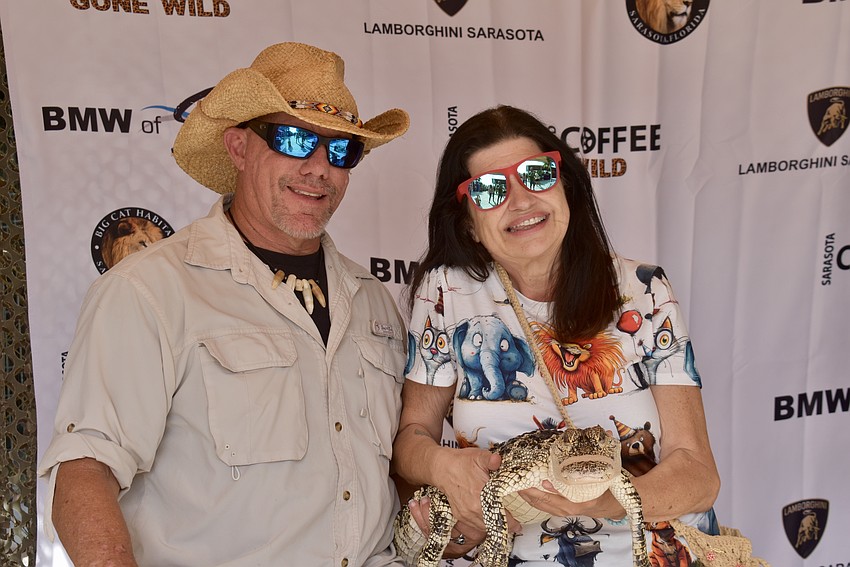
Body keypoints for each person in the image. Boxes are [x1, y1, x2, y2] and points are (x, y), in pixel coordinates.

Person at [38, 42, 410, 566]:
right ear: (238, 148)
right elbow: (84, 470)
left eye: (341, 150)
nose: (319, 167)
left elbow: (396, 476)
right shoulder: (151, 289)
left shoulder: (375, 302)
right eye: (295, 138)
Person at [392, 105, 721, 566]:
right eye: (489, 189)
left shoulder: (643, 291)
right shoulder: (446, 293)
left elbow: (700, 474)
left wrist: (605, 501)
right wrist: (442, 466)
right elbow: (411, 439)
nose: (521, 200)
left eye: (537, 174)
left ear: (564, 184)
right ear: (468, 219)